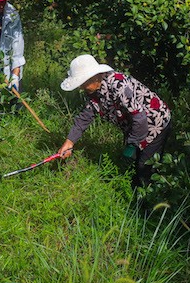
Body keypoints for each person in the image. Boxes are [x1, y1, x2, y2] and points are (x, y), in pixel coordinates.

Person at [56, 54, 172, 188]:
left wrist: (132, 145)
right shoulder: (94, 91)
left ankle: (150, 195)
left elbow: (139, 118)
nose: (81, 88)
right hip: (137, 126)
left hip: (156, 122)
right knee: (137, 165)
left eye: (83, 83)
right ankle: (137, 190)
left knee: (144, 165)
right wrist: (69, 142)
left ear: (95, 77)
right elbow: (85, 116)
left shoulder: (119, 85)